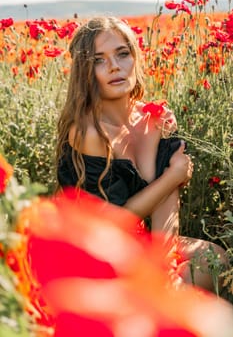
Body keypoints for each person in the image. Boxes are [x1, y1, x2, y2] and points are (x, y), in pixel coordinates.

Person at [55, 16, 227, 292]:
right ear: (85, 72)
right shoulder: (90, 133)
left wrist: (165, 265)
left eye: (122, 54)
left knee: (215, 259)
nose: (114, 67)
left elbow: (164, 199)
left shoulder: (150, 118)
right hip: (95, 249)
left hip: (141, 242)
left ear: (134, 57)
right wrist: (174, 176)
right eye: (99, 60)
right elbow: (114, 222)